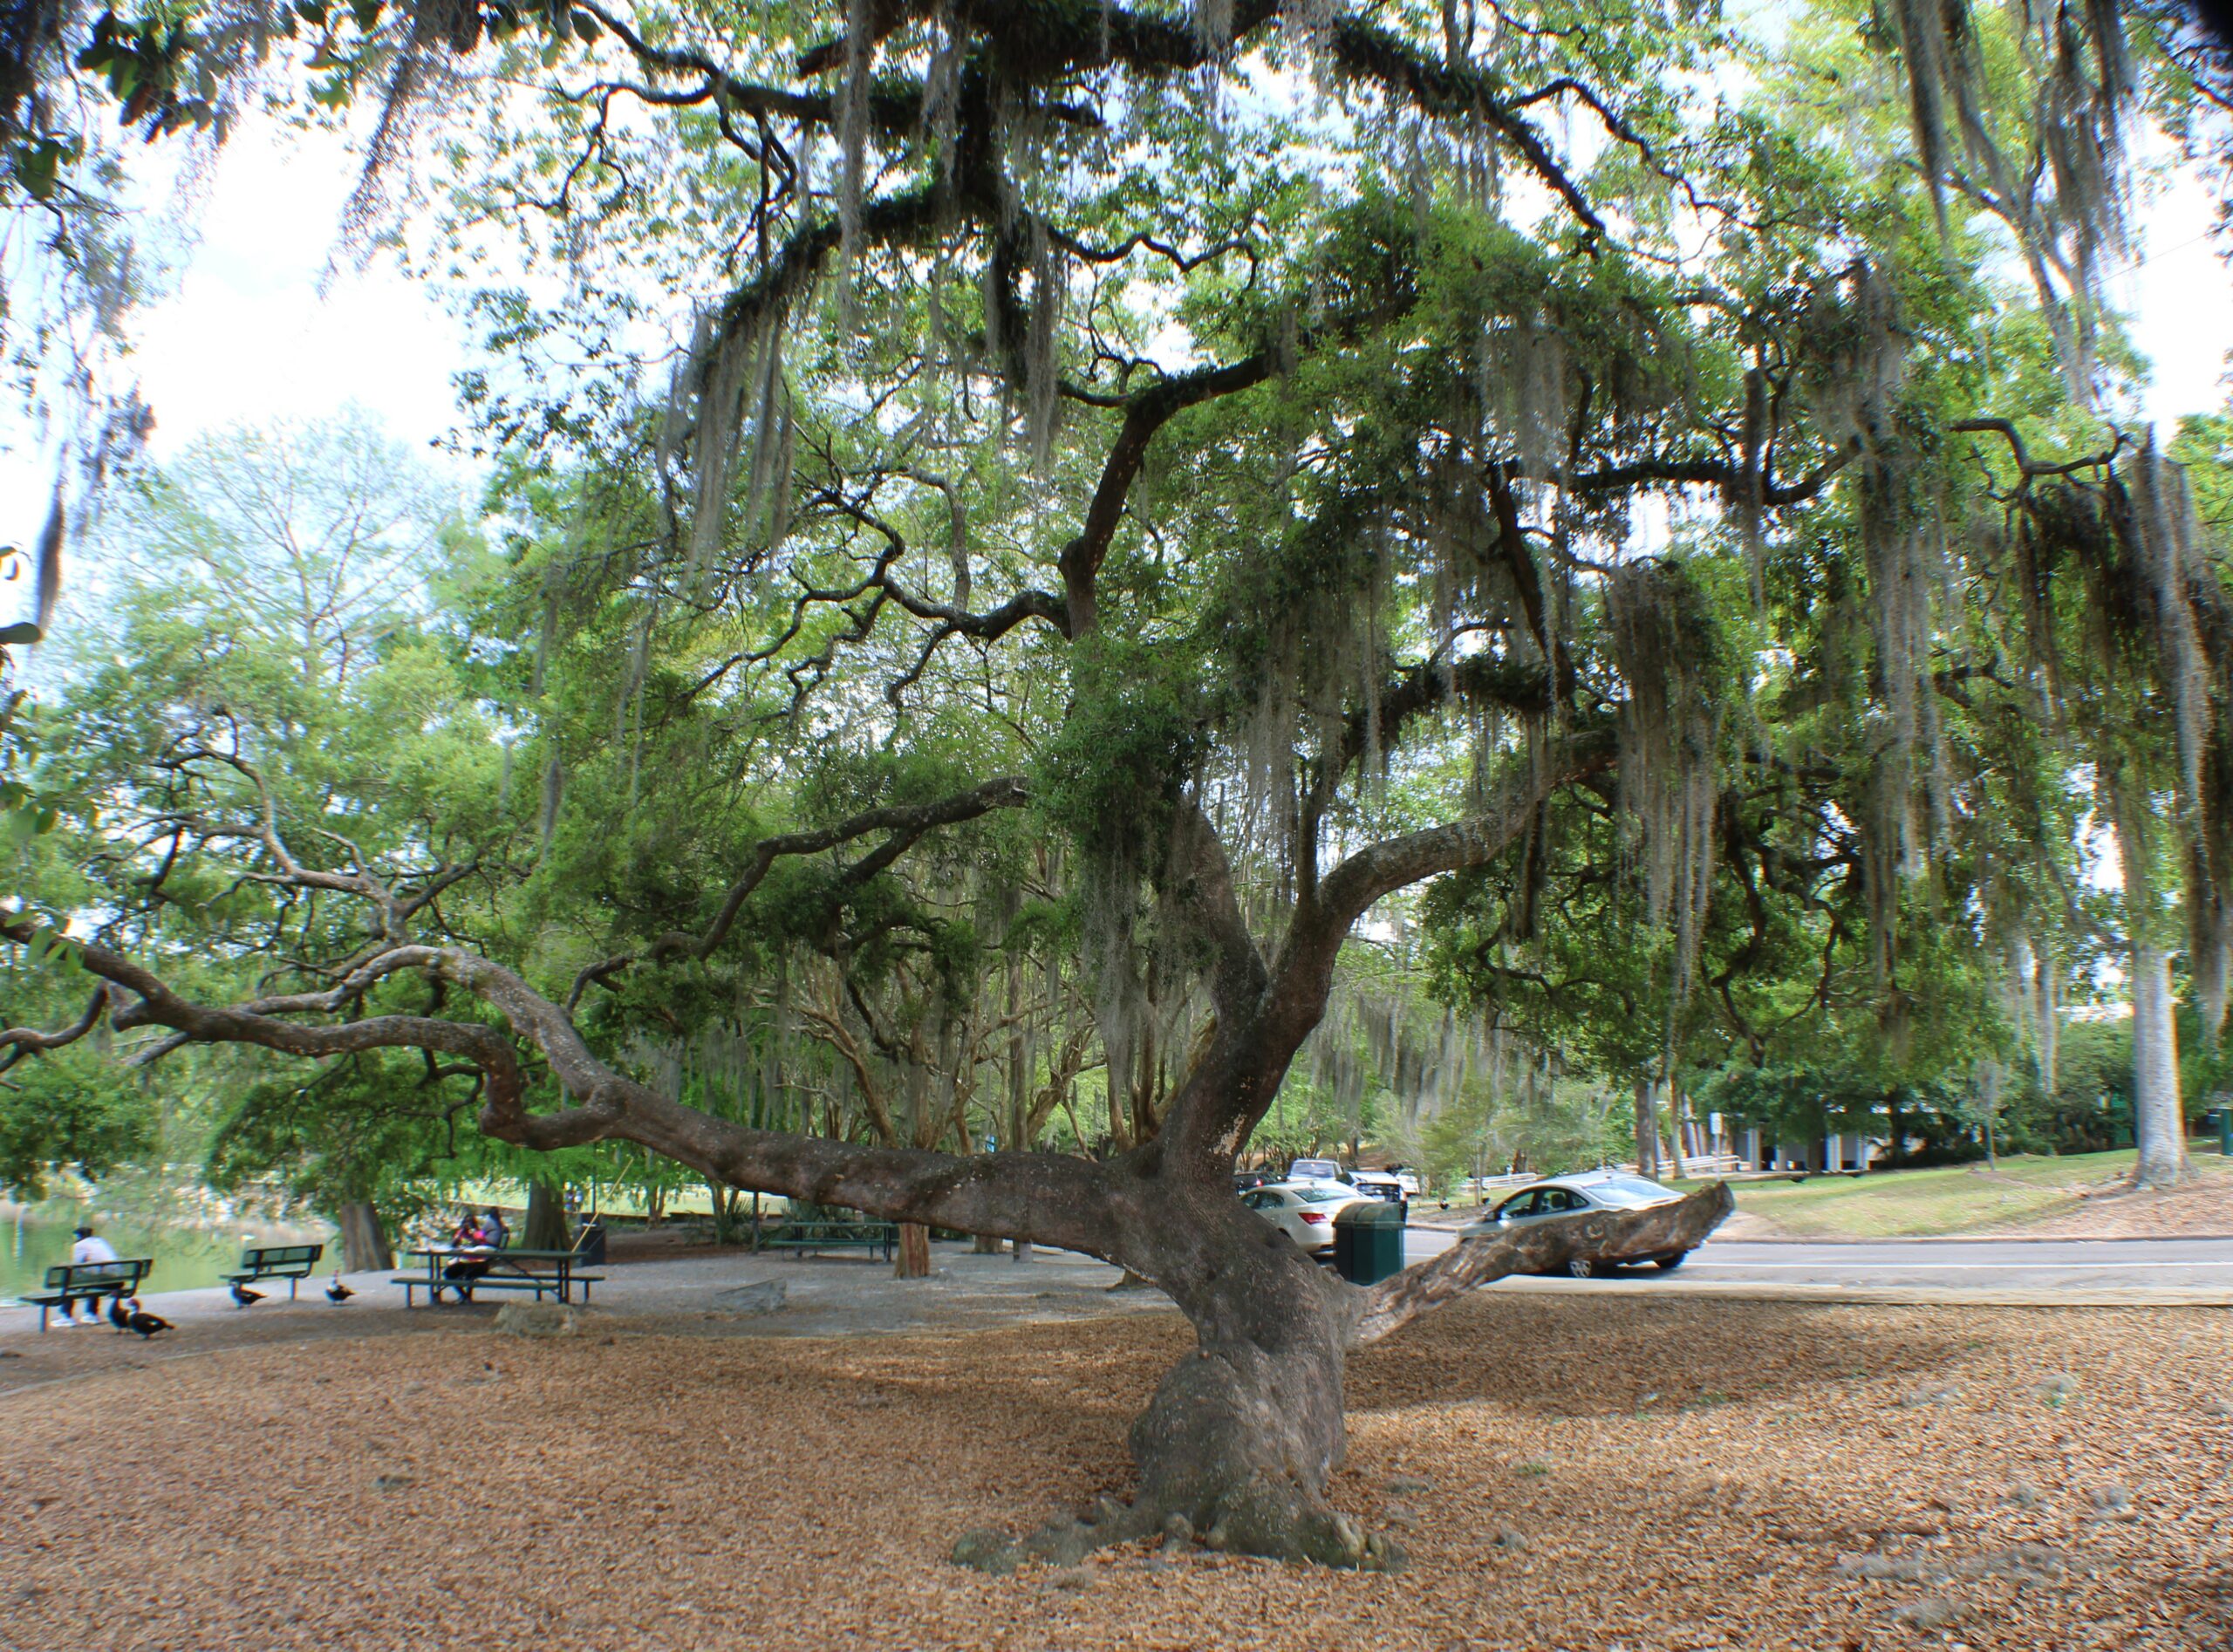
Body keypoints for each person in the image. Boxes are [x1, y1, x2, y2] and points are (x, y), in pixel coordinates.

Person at [58, 1224, 121, 1325]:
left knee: (70, 1281)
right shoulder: (101, 1242)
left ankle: (67, 1316)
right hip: (117, 1281)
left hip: (103, 1282)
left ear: (79, 1236)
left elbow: (76, 1267)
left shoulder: (79, 1245)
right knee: (94, 1278)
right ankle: (92, 1314)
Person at [438, 1211, 494, 1303]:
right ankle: (463, 1295)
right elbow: (453, 1245)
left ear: (474, 1224)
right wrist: (460, 1234)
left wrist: (472, 1233)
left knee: (470, 1274)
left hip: (479, 1264)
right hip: (464, 1263)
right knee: (448, 1273)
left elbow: (479, 1244)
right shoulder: (461, 1233)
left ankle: (468, 1297)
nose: (467, 1224)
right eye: (465, 1222)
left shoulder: (479, 1233)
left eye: (470, 1222)